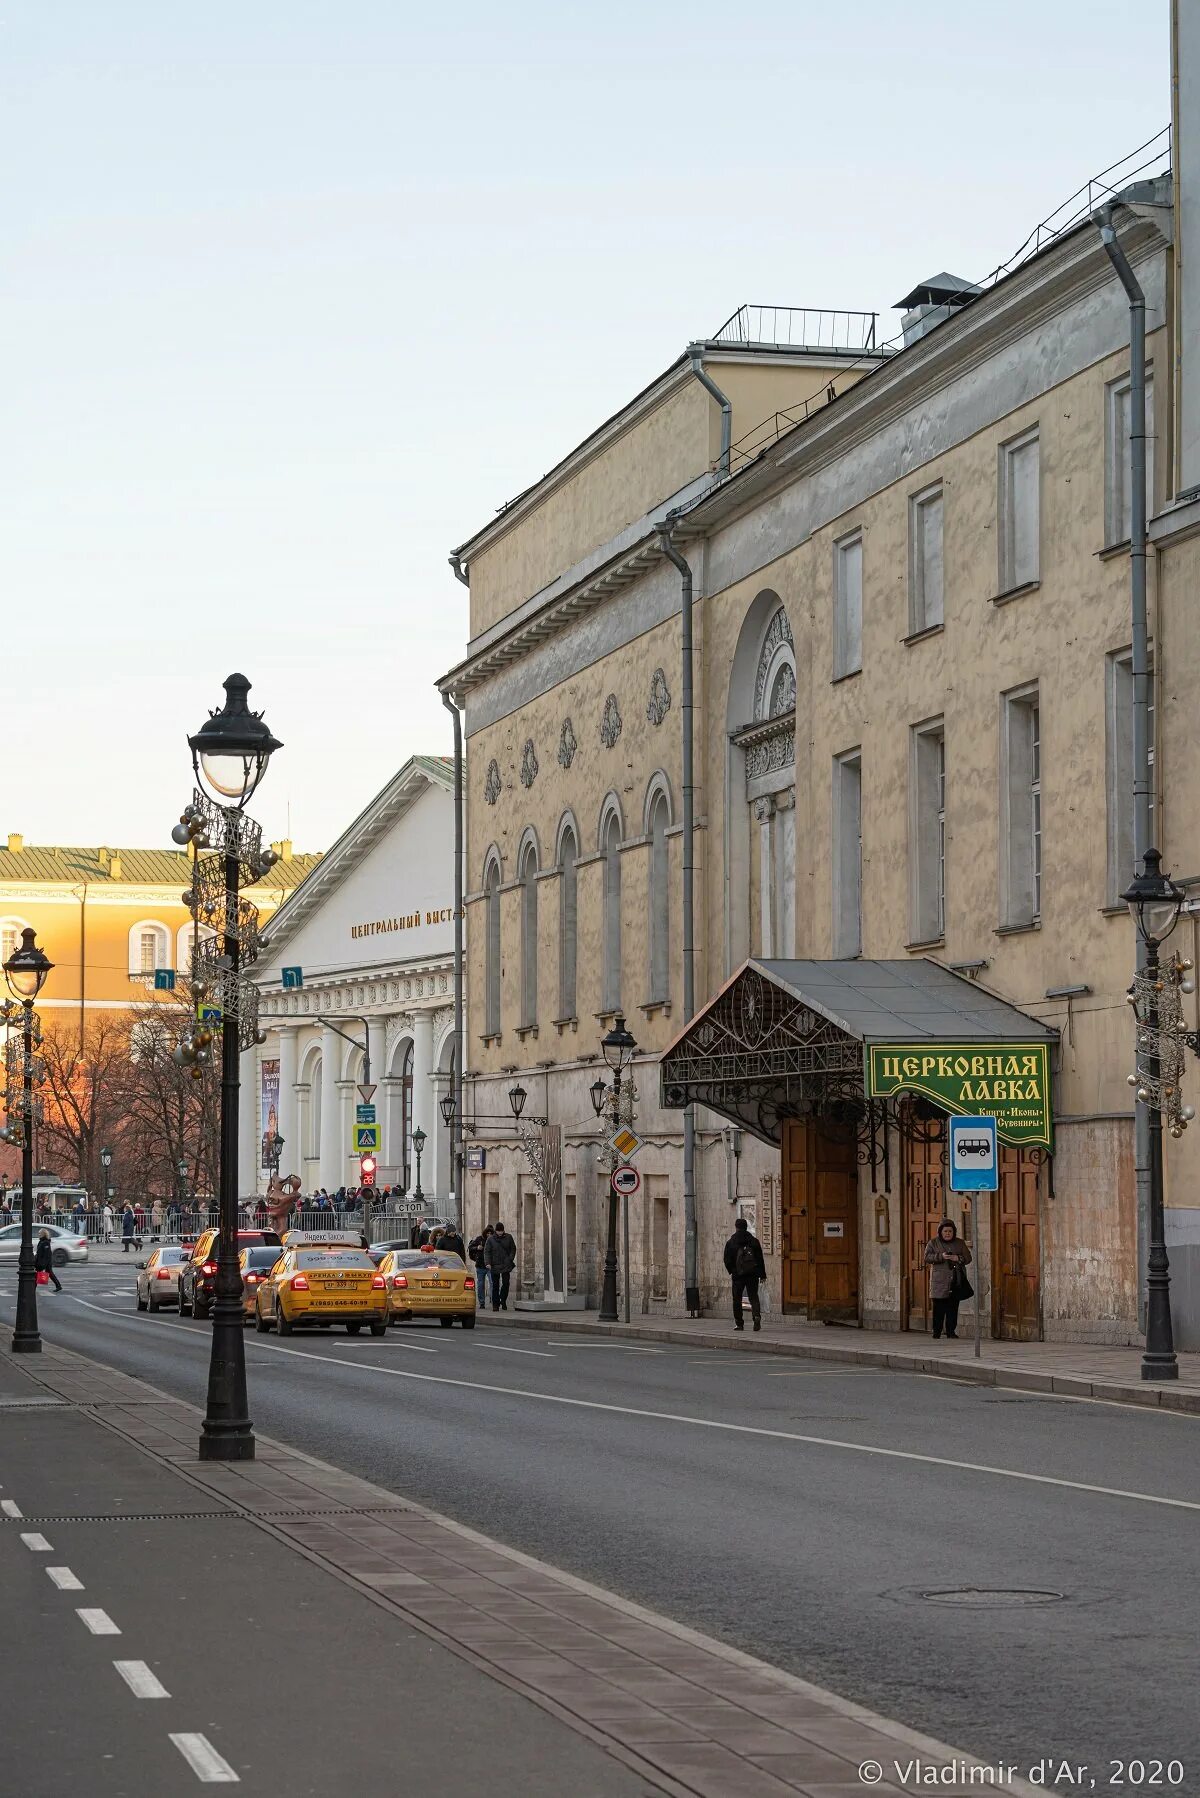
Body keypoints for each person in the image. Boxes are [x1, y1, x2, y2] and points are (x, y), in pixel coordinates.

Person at [924, 1217, 972, 1340]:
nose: (947, 1234)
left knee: (952, 1307)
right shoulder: (933, 1243)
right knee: (938, 1307)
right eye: (945, 1231)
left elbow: (968, 1258)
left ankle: (951, 1331)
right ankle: (937, 1331)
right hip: (939, 1281)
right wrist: (941, 1256)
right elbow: (927, 1257)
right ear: (940, 1232)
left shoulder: (960, 1243)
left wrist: (958, 1258)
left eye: (950, 1231)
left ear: (953, 1232)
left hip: (955, 1280)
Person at [723, 1215, 766, 1332]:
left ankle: (739, 1324)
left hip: (738, 1275)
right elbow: (759, 1259)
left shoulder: (731, 1242)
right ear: (746, 1227)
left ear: (736, 1227)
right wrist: (762, 1275)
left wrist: (732, 1271)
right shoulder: (754, 1241)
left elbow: (726, 1258)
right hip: (752, 1274)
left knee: (737, 1299)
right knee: (753, 1297)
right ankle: (756, 1316)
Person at [484, 1221, 517, 1312]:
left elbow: (513, 1249)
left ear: (503, 1231)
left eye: (501, 1231)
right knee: (495, 1285)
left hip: (506, 1264)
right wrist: (488, 1263)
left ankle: (503, 1299)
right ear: (496, 1231)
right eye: (498, 1231)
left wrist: (510, 1259)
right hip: (494, 1264)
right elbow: (487, 1252)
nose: (500, 1233)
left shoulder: (508, 1237)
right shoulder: (490, 1239)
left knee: (506, 1283)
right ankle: (495, 1304)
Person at [468, 1225, 493, 1308]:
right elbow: (470, 1247)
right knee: (480, 1285)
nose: (489, 1235)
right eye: (487, 1233)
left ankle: (493, 1301)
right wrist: (477, 1247)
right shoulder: (479, 1239)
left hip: (490, 1266)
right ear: (485, 1233)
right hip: (480, 1265)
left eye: (490, 1233)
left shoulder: (494, 1240)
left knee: (493, 1283)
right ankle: (482, 1302)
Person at [35, 1228, 62, 1293]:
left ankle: (32, 1288)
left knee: (37, 1273)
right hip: (42, 1261)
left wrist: (43, 1263)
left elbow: (47, 1254)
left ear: (43, 1234)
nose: (38, 1234)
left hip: (45, 1261)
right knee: (49, 1273)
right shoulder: (41, 1241)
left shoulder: (45, 1242)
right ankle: (58, 1286)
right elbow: (39, 1252)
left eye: (39, 1233)